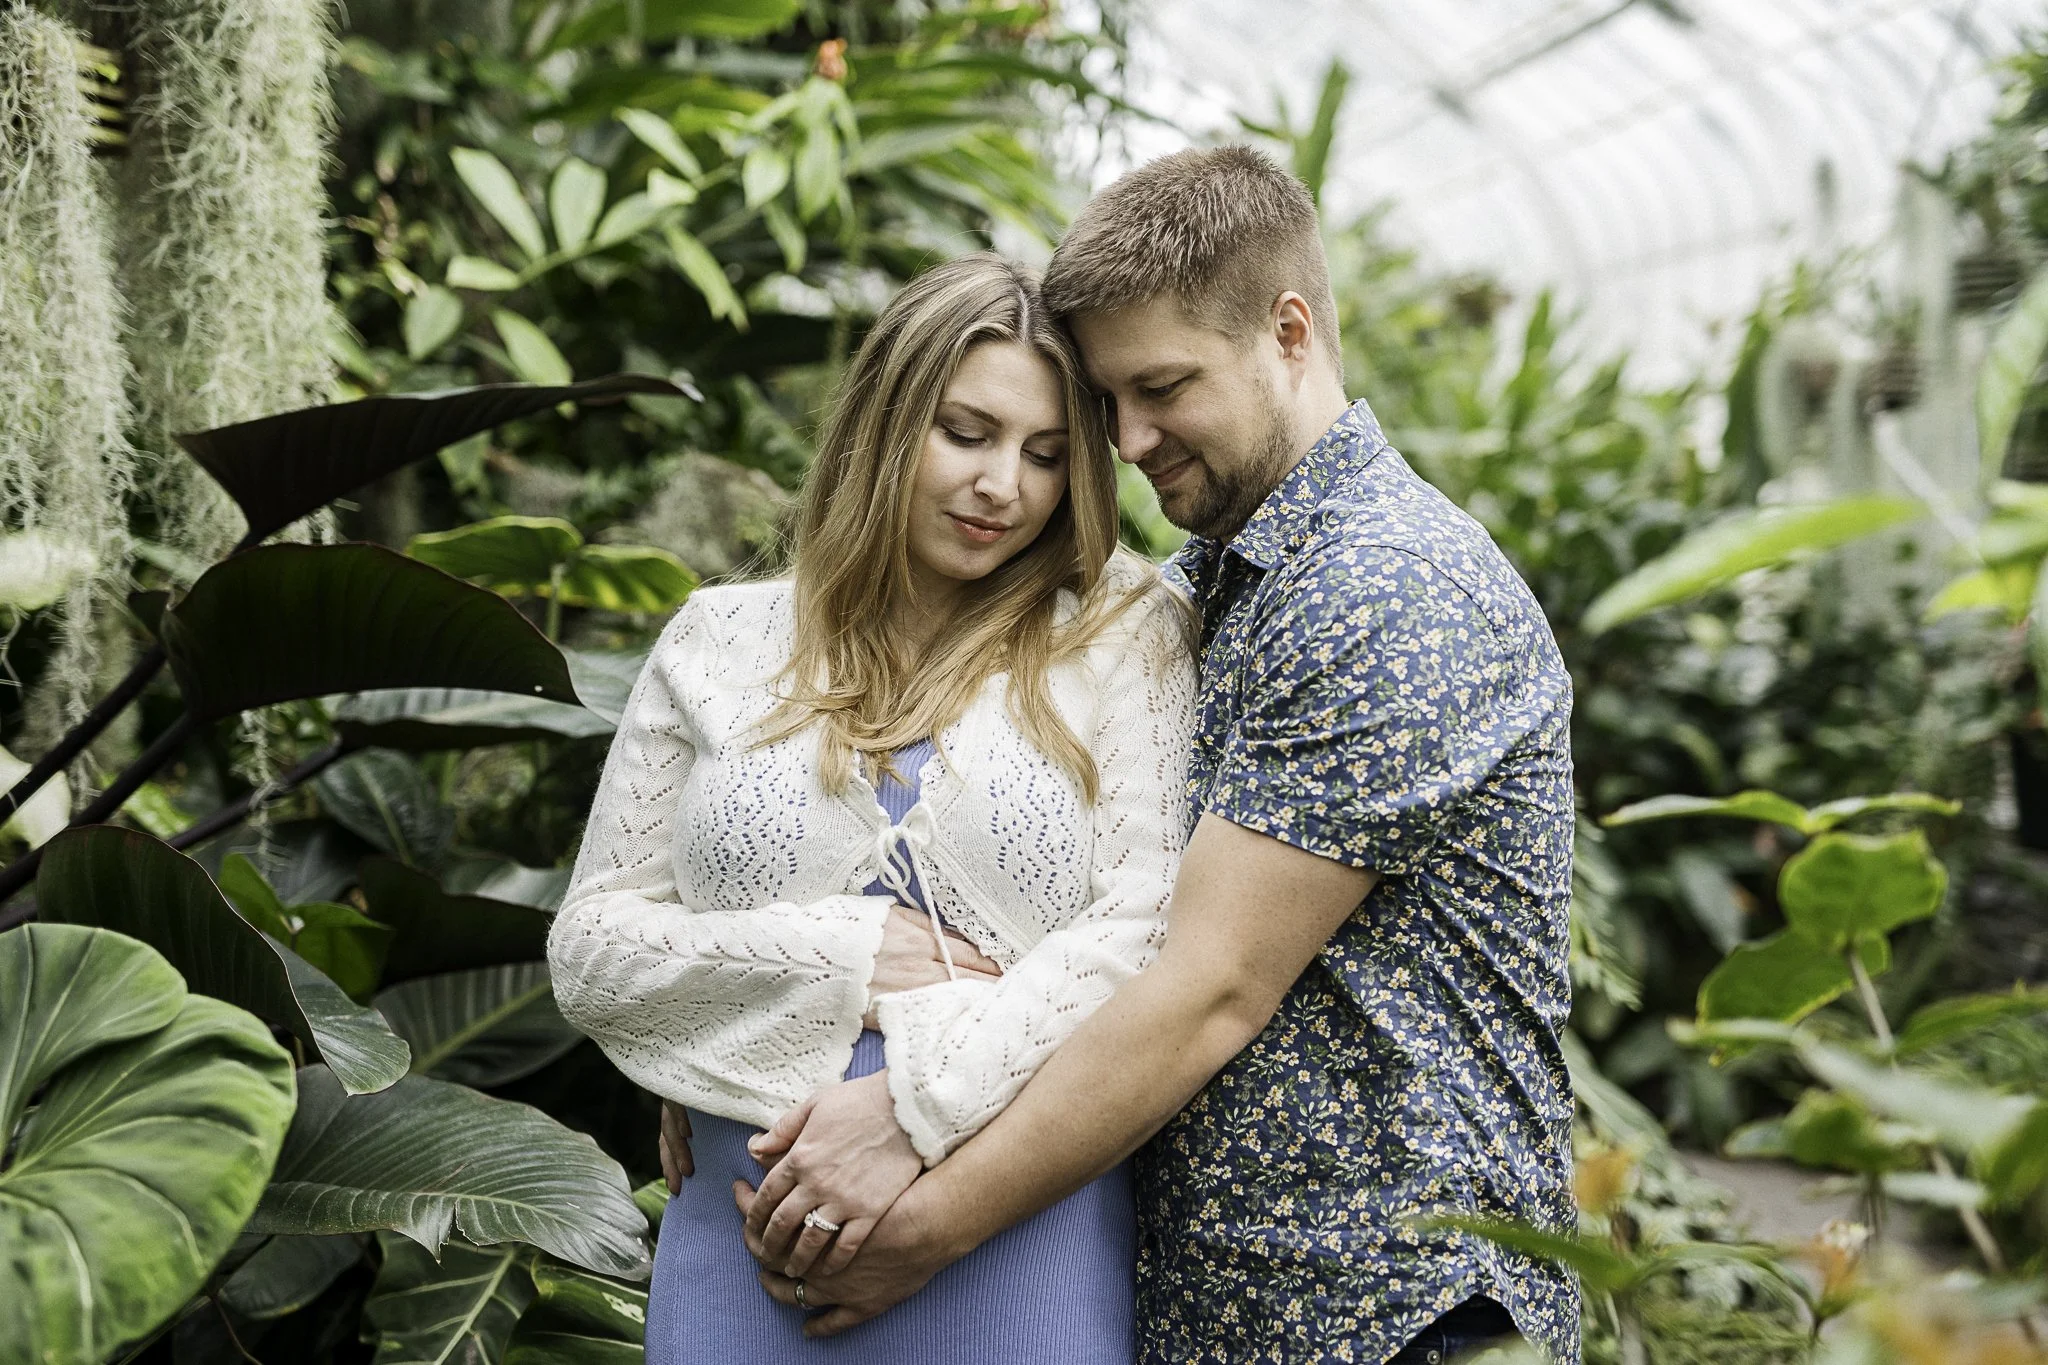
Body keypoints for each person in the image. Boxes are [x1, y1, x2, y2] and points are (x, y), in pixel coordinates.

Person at [726, 147, 1583, 1364]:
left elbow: (1204, 988)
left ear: (1287, 332)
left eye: (1162, 387)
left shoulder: (1387, 592)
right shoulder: (1202, 591)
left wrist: (922, 1215)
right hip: (1229, 1303)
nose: (1124, 439)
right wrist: (722, 1042)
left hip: (1395, 1305)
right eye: (1106, 402)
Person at [546, 252, 1198, 1364]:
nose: (1005, 486)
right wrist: (842, 956)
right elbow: (592, 953)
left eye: (1046, 455)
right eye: (966, 432)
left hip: (1013, 1237)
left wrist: (912, 1100)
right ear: (885, 423)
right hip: (745, 1248)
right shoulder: (716, 640)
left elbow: (1140, 936)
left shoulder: (1120, 633)